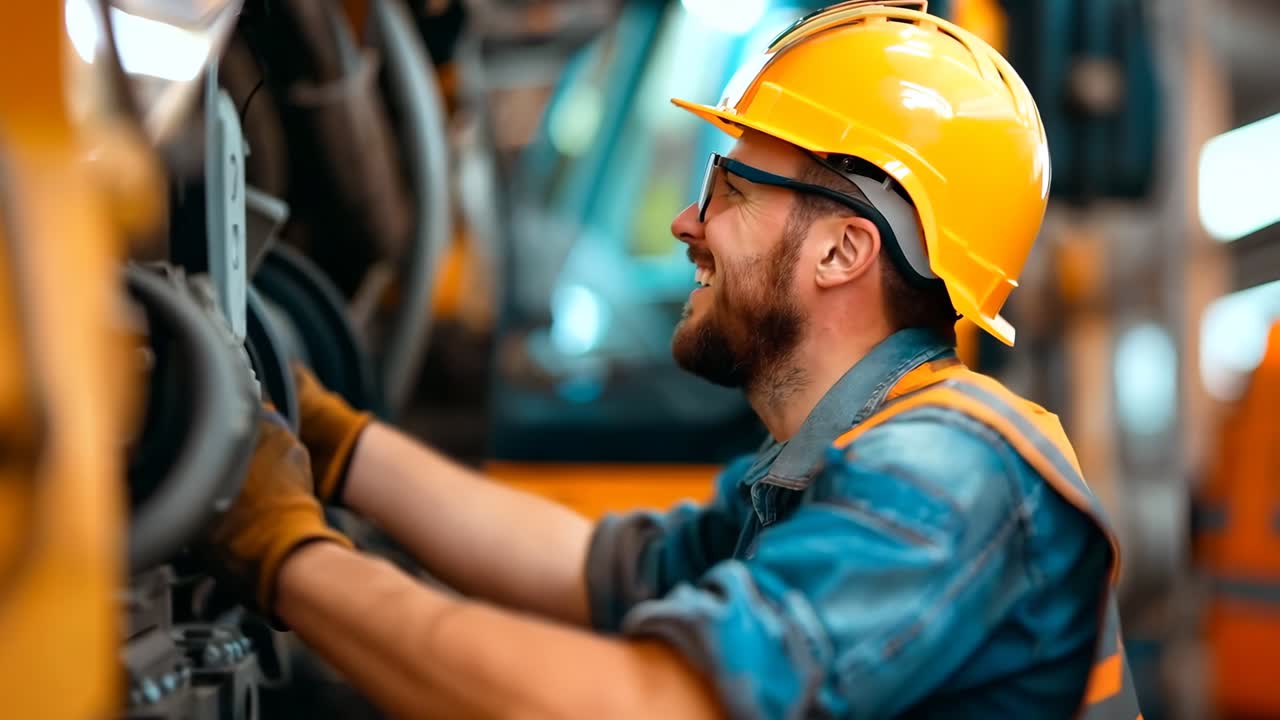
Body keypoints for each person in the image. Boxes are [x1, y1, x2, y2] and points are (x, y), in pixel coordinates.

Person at [202, 3, 1142, 718]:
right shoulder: (826, 465)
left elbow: (648, 703)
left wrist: (288, 556)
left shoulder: (942, 480)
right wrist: (331, 440)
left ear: (841, 252)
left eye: (727, 187)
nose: (685, 223)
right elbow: (598, 567)